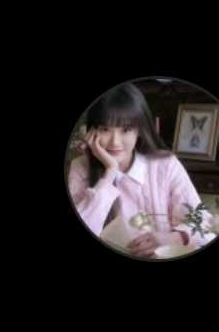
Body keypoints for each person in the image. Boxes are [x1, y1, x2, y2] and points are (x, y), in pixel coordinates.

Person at [66, 85, 203, 254]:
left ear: (139, 130)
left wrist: (174, 237)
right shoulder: (80, 167)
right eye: (105, 129)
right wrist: (110, 172)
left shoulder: (165, 164)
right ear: (91, 132)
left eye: (126, 129)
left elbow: (201, 221)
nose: (115, 142)